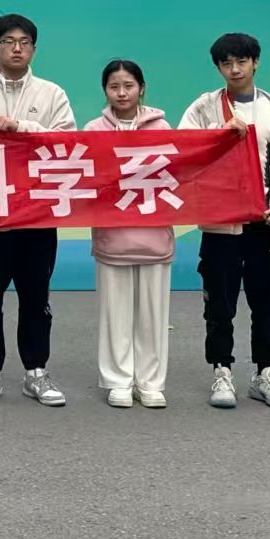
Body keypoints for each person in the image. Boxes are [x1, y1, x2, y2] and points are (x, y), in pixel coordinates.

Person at [179, 33, 270, 410]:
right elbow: (184, 153)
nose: (235, 69)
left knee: (266, 303)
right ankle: (221, 371)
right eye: (226, 63)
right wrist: (219, 135)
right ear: (218, 68)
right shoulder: (204, 108)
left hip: (265, 226)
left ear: (256, 62)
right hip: (221, 224)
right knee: (219, 304)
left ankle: (265, 374)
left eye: (242, 61)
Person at [0, 12, 76, 408]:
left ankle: (36, 371)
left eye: (24, 42)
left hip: (37, 216)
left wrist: (22, 127)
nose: (17, 49)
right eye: (8, 42)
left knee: (36, 297)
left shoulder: (52, 93)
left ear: (34, 49)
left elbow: (67, 143)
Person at [84, 59, 173, 409]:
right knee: (115, 313)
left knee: (153, 314)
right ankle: (118, 380)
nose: (122, 93)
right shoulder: (93, 129)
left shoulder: (162, 127)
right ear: (105, 91)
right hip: (113, 235)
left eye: (129, 86)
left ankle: (151, 382)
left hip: (154, 234)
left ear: (142, 88)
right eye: (114, 87)